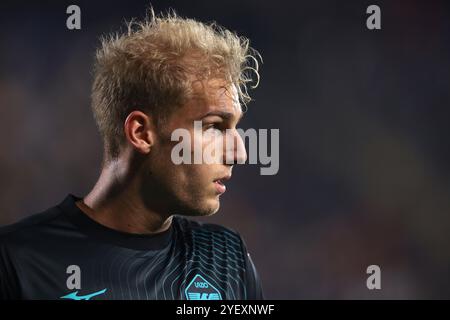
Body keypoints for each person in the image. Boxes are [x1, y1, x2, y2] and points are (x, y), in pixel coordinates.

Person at [0, 8, 263, 300]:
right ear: (140, 133)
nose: (239, 153)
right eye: (215, 127)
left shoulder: (228, 261)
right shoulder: (17, 262)